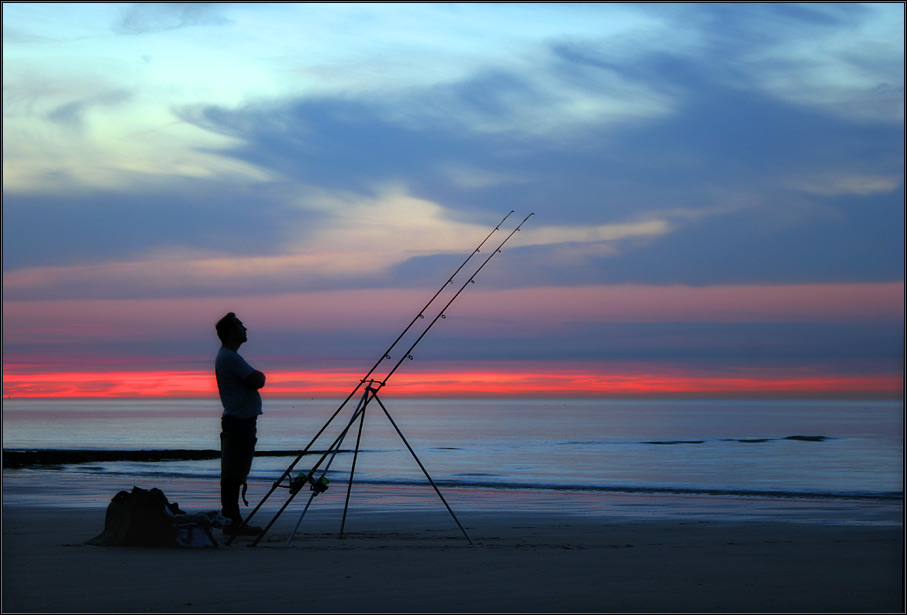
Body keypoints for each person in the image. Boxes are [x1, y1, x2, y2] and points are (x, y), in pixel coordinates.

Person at [214, 312, 266, 536]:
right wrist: (260, 376)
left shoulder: (229, 356)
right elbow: (256, 380)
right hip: (239, 421)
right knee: (234, 472)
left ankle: (231, 519)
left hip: (240, 420)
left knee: (235, 471)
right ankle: (231, 520)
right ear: (230, 332)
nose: (245, 328)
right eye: (240, 325)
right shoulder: (229, 357)